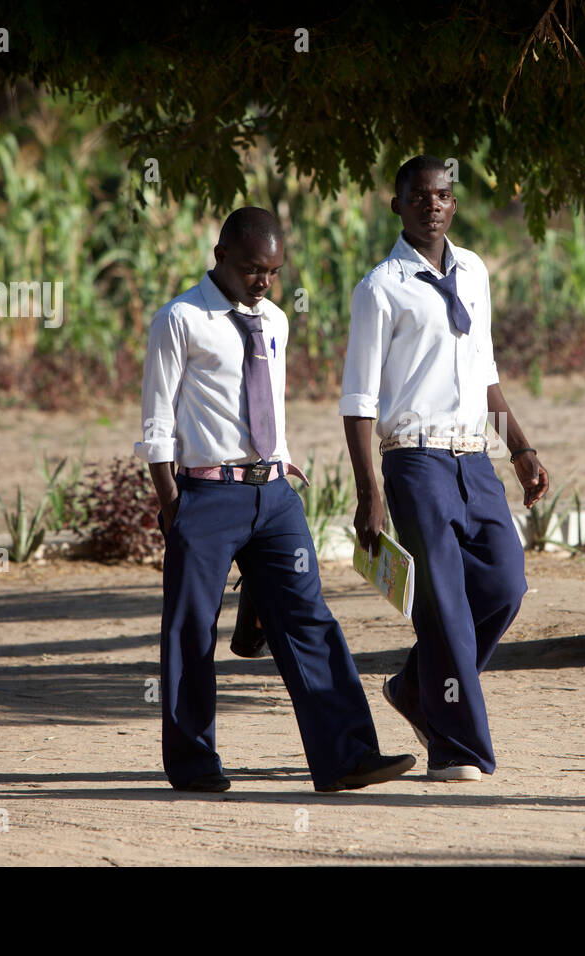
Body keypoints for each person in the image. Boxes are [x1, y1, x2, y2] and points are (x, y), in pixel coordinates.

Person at [135, 206, 415, 793]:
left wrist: (282, 466)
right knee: (190, 628)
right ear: (221, 256)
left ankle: (347, 758)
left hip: (274, 497)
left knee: (309, 619)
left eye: (273, 271)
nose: (263, 281)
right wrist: (173, 507)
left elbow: (268, 404)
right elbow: (157, 422)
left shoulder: (276, 322)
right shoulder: (180, 319)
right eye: (252, 269)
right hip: (204, 497)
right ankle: (193, 763)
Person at [340, 156, 548, 782]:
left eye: (443, 195)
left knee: (505, 583)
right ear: (397, 205)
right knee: (446, 608)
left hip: (474, 457)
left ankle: (412, 688)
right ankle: (458, 751)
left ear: (454, 204)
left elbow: (485, 373)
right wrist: (369, 493)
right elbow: (358, 402)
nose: (432, 204)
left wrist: (520, 447)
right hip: (415, 461)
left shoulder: (474, 272)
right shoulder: (380, 288)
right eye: (419, 195)